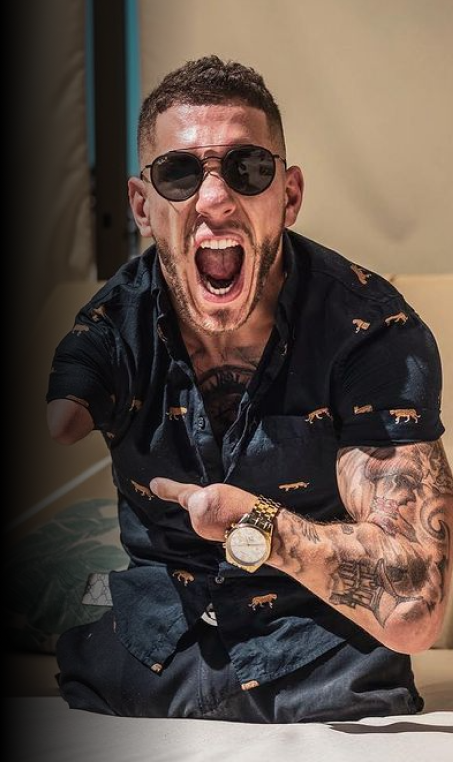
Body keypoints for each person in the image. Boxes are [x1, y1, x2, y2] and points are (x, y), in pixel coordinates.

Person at [47, 55, 453, 723]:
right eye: (179, 173)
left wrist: (258, 527)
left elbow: (414, 609)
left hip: (327, 673)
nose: (214, 199)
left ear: (288, 195)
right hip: (146, 668)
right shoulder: (109, 330)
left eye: (248, 168)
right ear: (143, 206)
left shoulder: (371, 332)